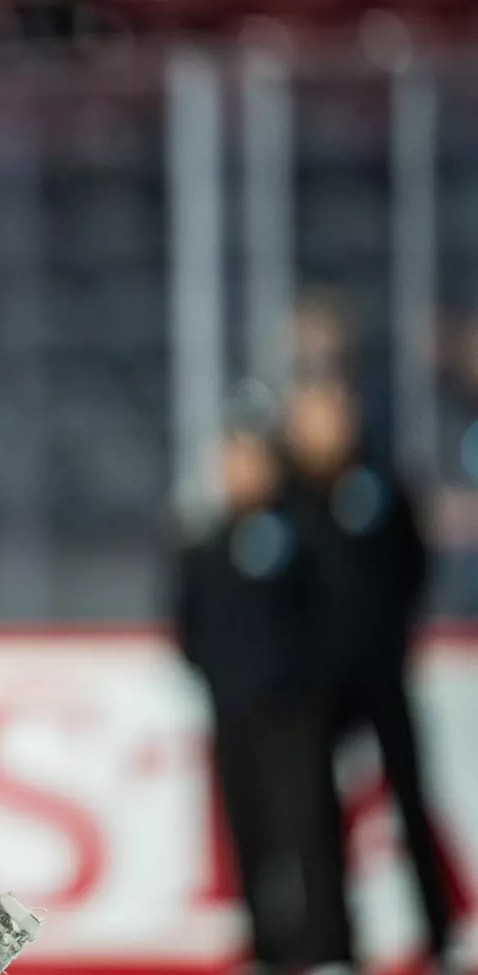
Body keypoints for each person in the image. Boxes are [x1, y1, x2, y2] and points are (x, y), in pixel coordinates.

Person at [171, 402, 348, 972]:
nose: (236, 470)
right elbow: (189, 627)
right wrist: (223, 681)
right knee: (249, 837)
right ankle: (268, 952)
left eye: (246, 458)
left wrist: (302, 687)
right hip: (234, 714)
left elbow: (325, 617)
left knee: (310, 835)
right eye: (229, 460)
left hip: (294, 716)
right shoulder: (205, 545)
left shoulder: (301, 533)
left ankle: (328, 949)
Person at [283, 378, 452, 970]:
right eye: (314, 413)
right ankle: (332, 947)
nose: (327, 425)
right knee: (313, 815)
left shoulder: (380, 482)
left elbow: (414, 561)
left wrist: (390, 633)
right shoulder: (285, 499)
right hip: (315, 683)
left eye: (335, 411)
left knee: (410, 798)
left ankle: (439, 935)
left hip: (382, 670)